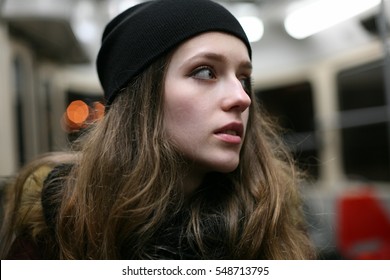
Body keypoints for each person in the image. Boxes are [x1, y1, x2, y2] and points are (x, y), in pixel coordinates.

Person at [0, 0, 315, 259]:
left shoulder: (270, 217)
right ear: (141, 98)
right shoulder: (53, 227)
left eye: (243, 77)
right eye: (205, 71)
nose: (242, 97)